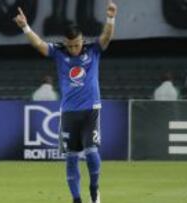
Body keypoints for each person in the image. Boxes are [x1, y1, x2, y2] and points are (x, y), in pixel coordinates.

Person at [14, 1, 117, 202]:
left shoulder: (92, 50)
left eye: (76, 45)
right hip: (68, 112)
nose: (73, 49)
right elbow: (39, 45)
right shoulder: (60, 52)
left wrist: (111, 18)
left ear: (82, 40)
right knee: (70, 157)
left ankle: (94, 189)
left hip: (91, 110)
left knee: (91, 152)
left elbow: (106, 36)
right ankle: (76, 198)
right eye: (70, 46)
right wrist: (25, 27)